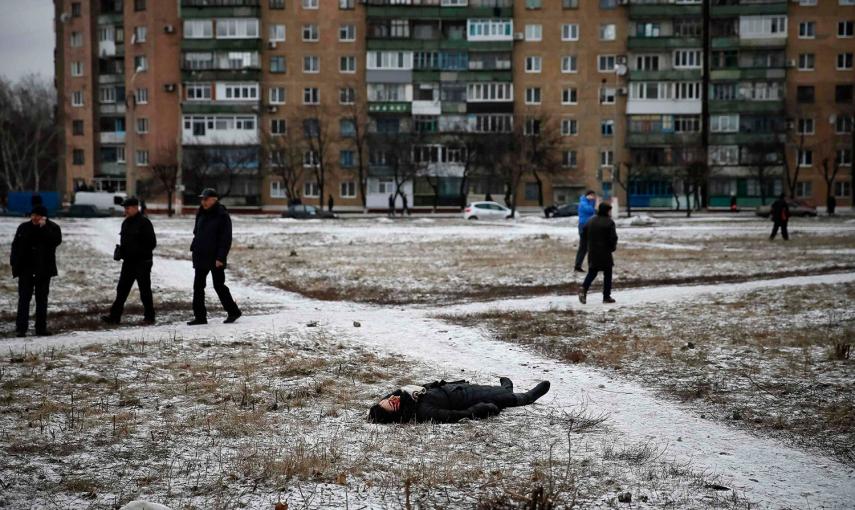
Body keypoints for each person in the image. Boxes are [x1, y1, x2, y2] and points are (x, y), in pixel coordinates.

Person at [368, 378, 550, 424]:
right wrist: (482, 409)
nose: (393, 397)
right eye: (392, 402)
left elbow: (392, 398)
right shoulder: (422, 411)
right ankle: (519, 394)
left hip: (457, 388)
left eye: (389, 398)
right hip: (469, 398)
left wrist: (379, 407)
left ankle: (506, 389)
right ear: (397, 412)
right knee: (510, 399)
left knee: (494, 390)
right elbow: (455, 416)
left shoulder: (407, 397)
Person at [188, 188, 241, 325]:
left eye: (206, 199)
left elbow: (226, 239)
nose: (203, 202)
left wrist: (220, 258)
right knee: (198, 287)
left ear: (214, 199)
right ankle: (200, 317)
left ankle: (233, 311)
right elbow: (196, 232)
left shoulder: (222, 215)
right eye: (202, 199)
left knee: (219, 285)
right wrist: (194, 246)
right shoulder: (201, 213)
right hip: (201, 255)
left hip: (215, 257)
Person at [102, 197, 156, 325]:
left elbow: (152, 243)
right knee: (122, 290)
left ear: (135, 207)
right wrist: (121, 251)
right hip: (128, 263)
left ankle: (150, 316)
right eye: (124, 208)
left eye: (127, 208)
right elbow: (126, 242)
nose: (125, 210)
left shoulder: (144, 222)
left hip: (142, 262)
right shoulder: (125, 223)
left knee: (144, 290)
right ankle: (114, 317)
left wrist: (136, 252)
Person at [10, 205, 62, 337]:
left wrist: (43, 228)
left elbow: (55, 241)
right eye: (33, 215)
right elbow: (15, 246)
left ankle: (41, 328)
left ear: (44, 217)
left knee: (41, 300)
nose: (34, 217)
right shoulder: (23, 227)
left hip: (43, 270)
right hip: (25, 269)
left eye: (38, 215)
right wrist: (14, 263)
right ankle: (21, 328)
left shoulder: (52, 227)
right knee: (23, 299)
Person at [579, 202, 618, 305]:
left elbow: (583, 234)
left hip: (592, 251)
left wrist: (588, 244)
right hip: (605, 252)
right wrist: (612, 248)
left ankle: (583, 288)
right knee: (608, 273)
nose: (610, 212)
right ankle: (606, 296)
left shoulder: (591, 220)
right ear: (606, 211)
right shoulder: (609, 222)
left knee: (592, 272)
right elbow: (613, 238)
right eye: (610, 210)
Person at [574, 190, 597, 272]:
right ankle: (578, 265)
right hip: (584, 226)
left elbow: (594, 211)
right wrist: (592, 202)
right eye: (592, 195)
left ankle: (582, 265)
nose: (593, 197)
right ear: (588, 195)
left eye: (594, 196)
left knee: (588, 247)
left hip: (590, 225)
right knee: (584, 247)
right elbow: (590, 210)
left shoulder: (589, 202)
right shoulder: (583, 203)